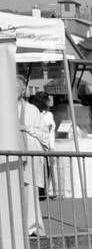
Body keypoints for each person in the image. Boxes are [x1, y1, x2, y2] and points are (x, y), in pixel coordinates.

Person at [17, 92, 50, 236]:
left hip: (28, 157)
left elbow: (44, 133)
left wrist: (26, 128)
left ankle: (32, 226)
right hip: (10, 156)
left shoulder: (31, 110)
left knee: (29, 191)